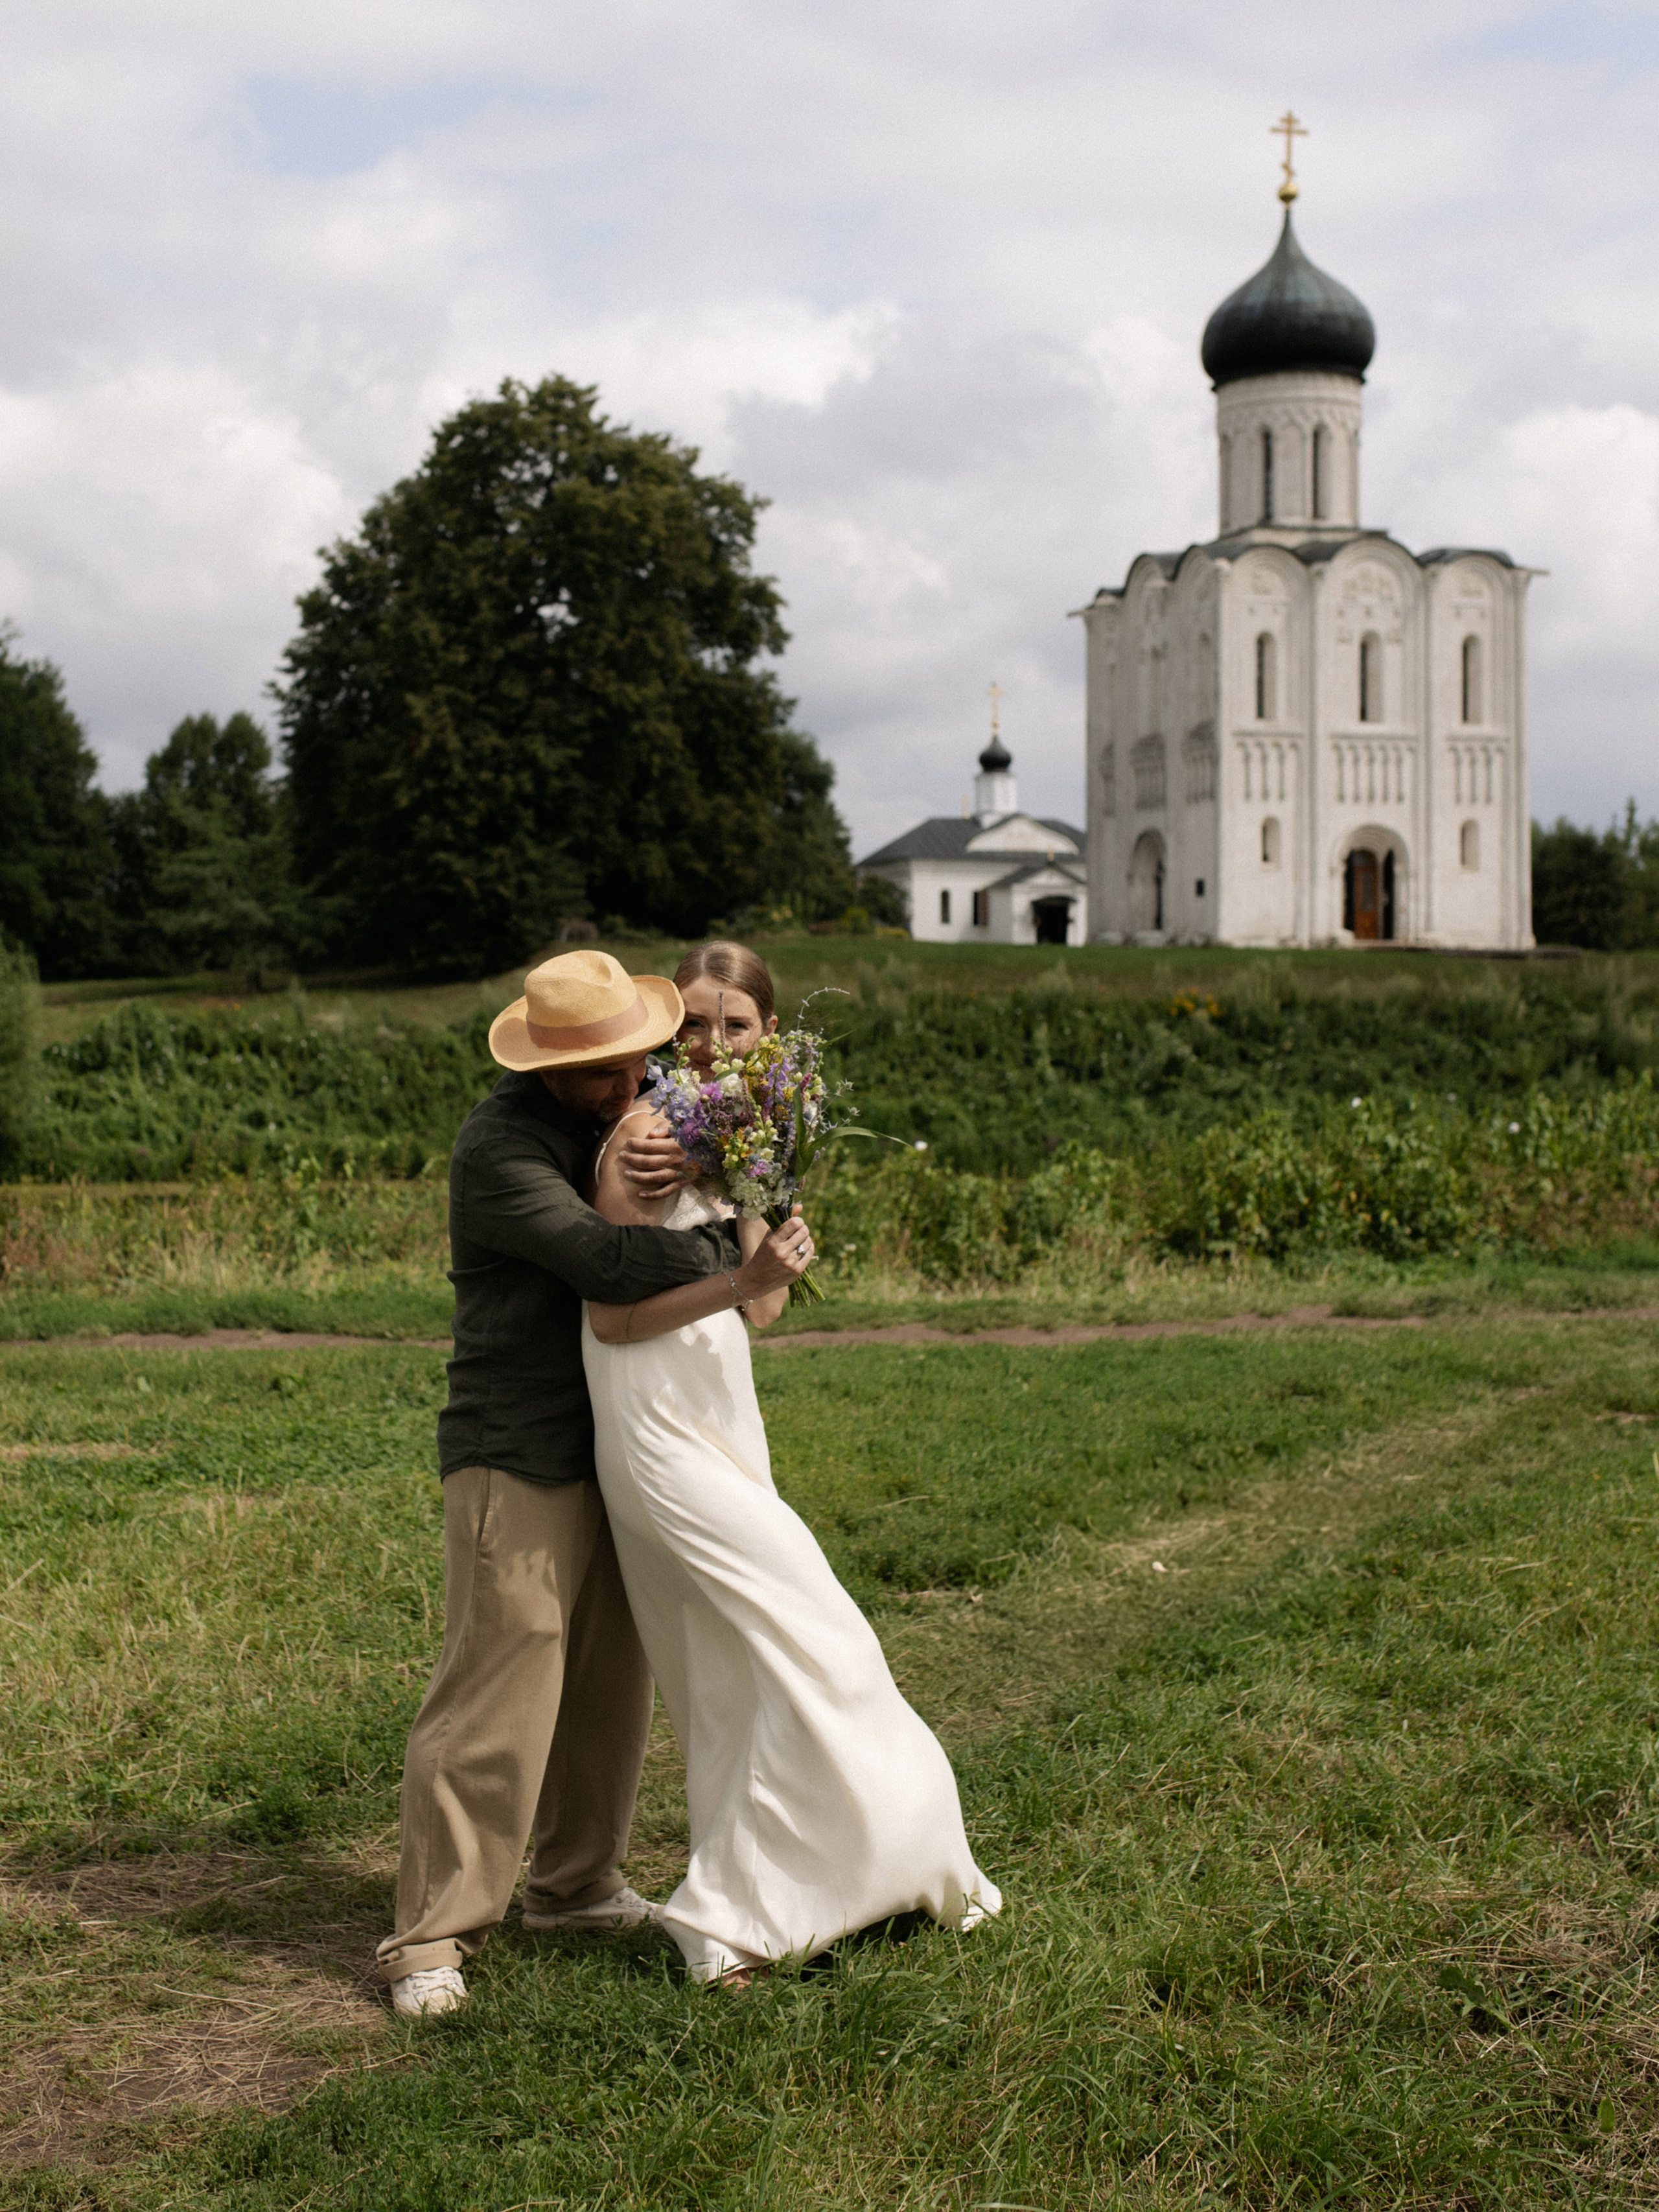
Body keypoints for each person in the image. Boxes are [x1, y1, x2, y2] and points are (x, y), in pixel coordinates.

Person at [377, 948, 813, 2018]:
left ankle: (575, 1886)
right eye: (599, 1076)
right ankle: (432, 1935)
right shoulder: (501, 1147)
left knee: (613, 1681)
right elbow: (603, 1264)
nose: (628, 1086)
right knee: (500, 1678)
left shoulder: (637, 1111)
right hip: (517, 1441)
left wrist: (752, 1174)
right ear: (545, 1068)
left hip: (624, 1438)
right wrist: (735, 1262)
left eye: (636, 1063)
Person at [583, 940, 999, 1986]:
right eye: (695, 1023)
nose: (714, 1043)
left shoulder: (734, 1139)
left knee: (735, 1668)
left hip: (722, 1410)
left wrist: (762, 1192)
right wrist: (739, 1275)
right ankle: (787, 1892)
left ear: (770, 1036)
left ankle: (767, 1900)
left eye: (737, 1025)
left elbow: (763, 1303)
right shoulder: (645, 1136)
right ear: (667, 1030)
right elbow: (612, 1313)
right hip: (656, 1422)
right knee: (823, 1636)